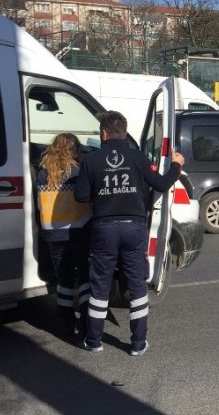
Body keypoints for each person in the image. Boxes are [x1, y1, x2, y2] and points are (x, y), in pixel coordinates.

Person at [75, 111, 185, 356]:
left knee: (100, 285)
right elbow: (160, 184)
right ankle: (138, 344)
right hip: (134, 228)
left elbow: (81, 196)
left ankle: (93, 341)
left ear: (103, 133)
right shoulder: (137, 157)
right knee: (137, 285)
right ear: (124, 132)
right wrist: (176, 165)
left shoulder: (91, 160)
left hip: (104, 228)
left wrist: (102, 194)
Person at [37, 132, 93, 336]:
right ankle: (87, 319)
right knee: (85, 276)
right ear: (74, 149)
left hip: (54, 234)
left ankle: (65, 322)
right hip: (79, 230)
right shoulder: (78, 170)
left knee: (64, 279)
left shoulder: (44, 172)